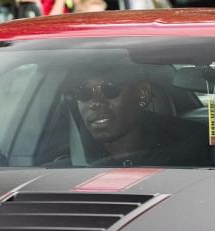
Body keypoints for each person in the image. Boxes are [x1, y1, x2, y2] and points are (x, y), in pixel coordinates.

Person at [63, 64, 207, 167]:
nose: (95, 103)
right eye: (83, 93)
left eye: (110, 89)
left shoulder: (190, 148)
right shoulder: (63, 160)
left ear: (142, 94)